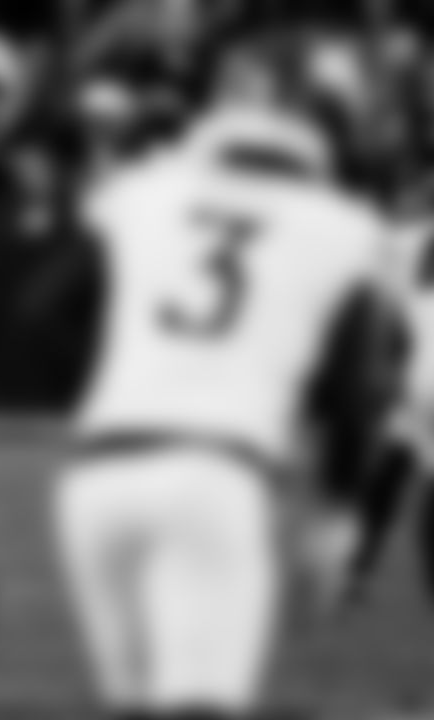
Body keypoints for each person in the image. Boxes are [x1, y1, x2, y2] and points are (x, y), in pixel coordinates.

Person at [54, 87, 391, 718]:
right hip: (217, 473)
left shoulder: (146, 197)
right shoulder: (340, 228)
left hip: (96, 472)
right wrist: (338, 515)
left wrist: (136, 375)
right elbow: (355, 392)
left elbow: (45, 316)